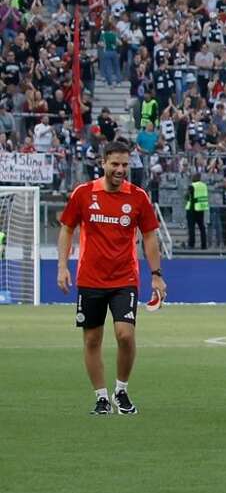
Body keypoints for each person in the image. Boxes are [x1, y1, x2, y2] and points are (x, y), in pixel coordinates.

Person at [55, 139, 164, 416]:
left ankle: (121, 390)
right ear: (103, 163)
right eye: (115, 164)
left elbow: (150, 236)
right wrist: (62, 266)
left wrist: (156, 274)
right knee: (92, 340)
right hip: (89, 279)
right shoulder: (83, 193)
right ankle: (101, 397)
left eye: (125, 164)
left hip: (124, 279)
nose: (120, 169)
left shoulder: (138, 197)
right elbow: (67, 229)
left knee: (125, 335)